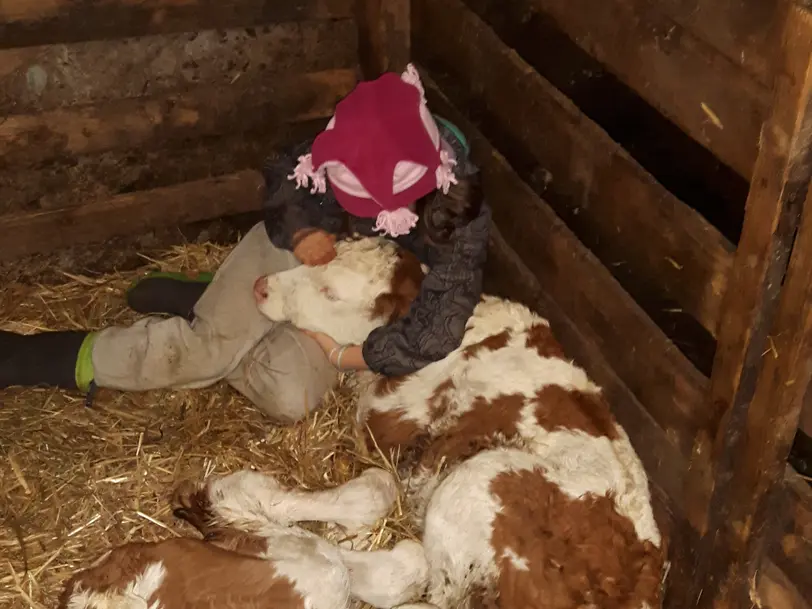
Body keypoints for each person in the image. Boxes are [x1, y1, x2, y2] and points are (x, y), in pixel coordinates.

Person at [0, 64, 491, 423]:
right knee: (204, 354)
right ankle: (38, 357)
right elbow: (284, 171)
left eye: (354, 198)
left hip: (337, 299)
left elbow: (435, 331)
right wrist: (299, 232)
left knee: (292, 399)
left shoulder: (458, 217)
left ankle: (210, 301)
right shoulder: (364, 127)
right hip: (297, 254)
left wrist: (344, 357)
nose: (343, 200)